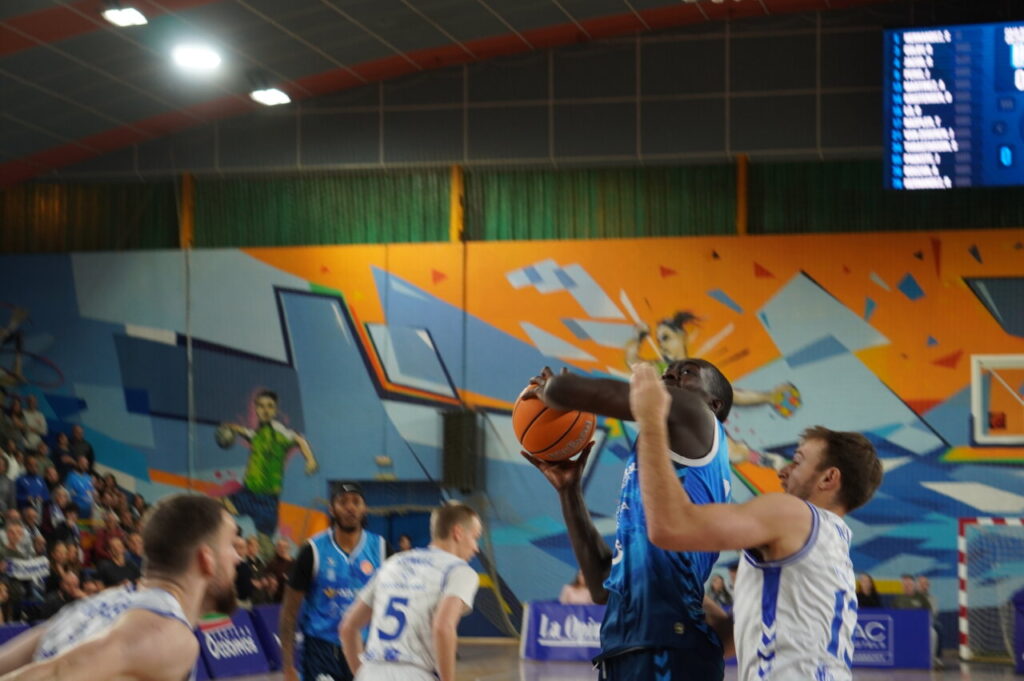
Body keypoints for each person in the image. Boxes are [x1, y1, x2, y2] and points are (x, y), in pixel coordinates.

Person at [627, 362, 884, 681]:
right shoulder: (829, 544)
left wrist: (651, 418)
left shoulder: (793, 514)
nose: (782, 471)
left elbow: (670, 527)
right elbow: (729, 637)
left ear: (829, 478)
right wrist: (675, 586)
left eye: (798, 462)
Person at [520, 360, 734, 680]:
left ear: (713, 404)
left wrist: (556, 389)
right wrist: (569, 491)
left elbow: (607, 394)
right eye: (667, 372)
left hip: (667, 648)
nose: (670, 375)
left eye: (686, 372)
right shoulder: (657, 459)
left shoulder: (699, 415)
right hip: (626, 648)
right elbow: (602, 586)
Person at [0, 493, 241, 681]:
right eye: (231, 544)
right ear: (206, 559)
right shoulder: (168, 633)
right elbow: (58, 672)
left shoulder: (93, 605)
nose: (238, 557)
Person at [340, 502, 481, 681]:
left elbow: (348, 627)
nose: (476, 547)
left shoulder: (394, 562)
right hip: (415, 673)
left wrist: (362, 674)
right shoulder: (459, 570)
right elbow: (443, 626)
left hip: (370, 671)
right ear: (458, 533)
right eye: (475, 537)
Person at [280, 482, 385, 681]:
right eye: (343, 502)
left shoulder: (381, 548)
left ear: (364, 509)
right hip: (321, 651)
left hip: (367, 650)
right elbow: (289, 611)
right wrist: (287, 666)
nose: (350, 507)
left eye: (356, 502)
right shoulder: (312, 551)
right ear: (332, 509)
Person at [220, 390, 318, 544]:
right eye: (261, 406)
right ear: (256, 409)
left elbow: (299, 439)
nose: (265, 410)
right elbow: (248, 433)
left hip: (267, 501)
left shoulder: (279, 432)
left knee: (266, 545)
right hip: (248, 493)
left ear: (275, 410)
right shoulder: (257, 433)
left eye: (270, 406)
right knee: (218, 506)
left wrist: (310, 459)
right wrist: (232, 428)